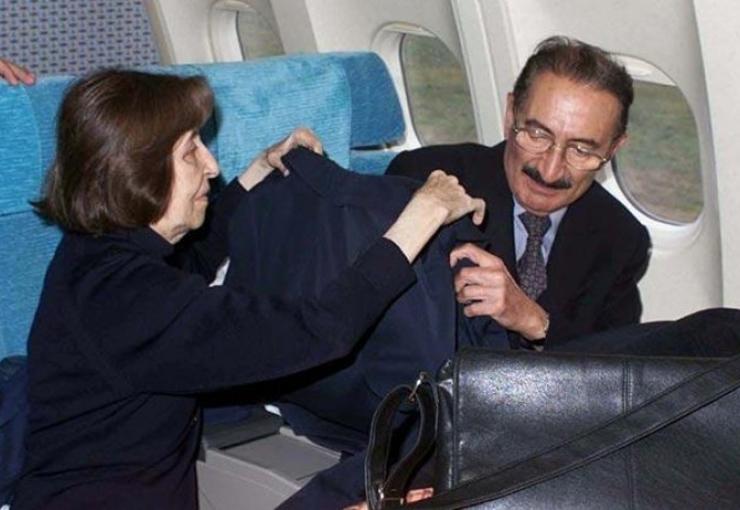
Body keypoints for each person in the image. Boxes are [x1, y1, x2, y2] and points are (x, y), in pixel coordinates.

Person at [13, 69, 484, 510]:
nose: (211, 166)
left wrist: (258, 171)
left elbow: (192, 262)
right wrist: (422, 214)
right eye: (191, 152)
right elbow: (319, 330)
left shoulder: (96, 253)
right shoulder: (131, 300)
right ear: (137, 171)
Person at [387, 36, 651, 351]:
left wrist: (536, 323)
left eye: (581, 150)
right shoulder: (424, 180)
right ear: (511, 114)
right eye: (537, 135)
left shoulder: (620, 238)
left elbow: (616, 364)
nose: (550, 172)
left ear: (613, 148)